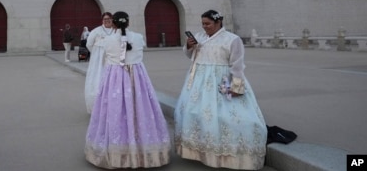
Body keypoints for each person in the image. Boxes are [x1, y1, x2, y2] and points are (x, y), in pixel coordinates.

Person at [174, 9, 267, 170]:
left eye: (208, 24)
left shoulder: (232, 39)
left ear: (218, 22)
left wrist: (236, 86)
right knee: (195, 113)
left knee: (229, 115)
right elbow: (191, 56)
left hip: (222, 79)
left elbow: (237, 65)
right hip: (198, 80)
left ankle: (228, 153)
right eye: (203, 24)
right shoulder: (200, 37)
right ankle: (199, 150)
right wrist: (188, 47)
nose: (205, 27)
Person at [85, 11, 171, 169]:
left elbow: (101, 52)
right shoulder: (138, 37)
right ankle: (146, 150)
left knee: (115, 110)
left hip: (115, 78)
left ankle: (117, 151)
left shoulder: (107, 40)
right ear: (128, 22)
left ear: (114, 24)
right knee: (140, 108)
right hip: (137, 78)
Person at [83, 12, 114, 114]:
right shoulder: (96, 31)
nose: (107, 21)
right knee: (97, 79)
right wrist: (98, 53)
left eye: (109, 19)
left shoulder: (115, 30)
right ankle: (96, 107)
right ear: (102, 20)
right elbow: (89, 44)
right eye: (105, 19)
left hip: (112, 58)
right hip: (98, 60)